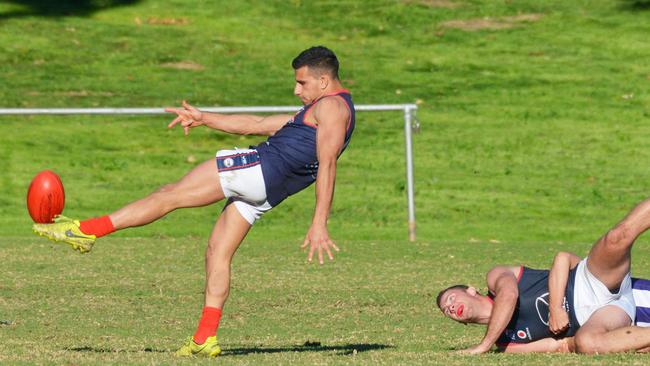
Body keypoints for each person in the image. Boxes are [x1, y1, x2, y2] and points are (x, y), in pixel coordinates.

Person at [32, 45, 355, 358]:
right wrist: (204, 117)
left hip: (257, 169)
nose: (296, 90)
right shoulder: (323, 110)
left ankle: (86, 231)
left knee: (169, 194)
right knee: (217, 251)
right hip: (267, 192)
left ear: (323, 81)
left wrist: (319, 223)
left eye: (302, 82)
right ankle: (205, 338)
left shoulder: (331, 107)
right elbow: (256, 125)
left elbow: (327, 163)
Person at [437, 197, 650, 354]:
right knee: (587, 343)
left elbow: (509, 296)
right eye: (447, 310)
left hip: (590, 282)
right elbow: (559, 346)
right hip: (604, 317)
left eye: (451, 298)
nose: (451, 307)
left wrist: (556, 308)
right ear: (460, 322)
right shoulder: (506, 344)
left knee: (615, 238)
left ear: (470, 290)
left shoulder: (495, 277)